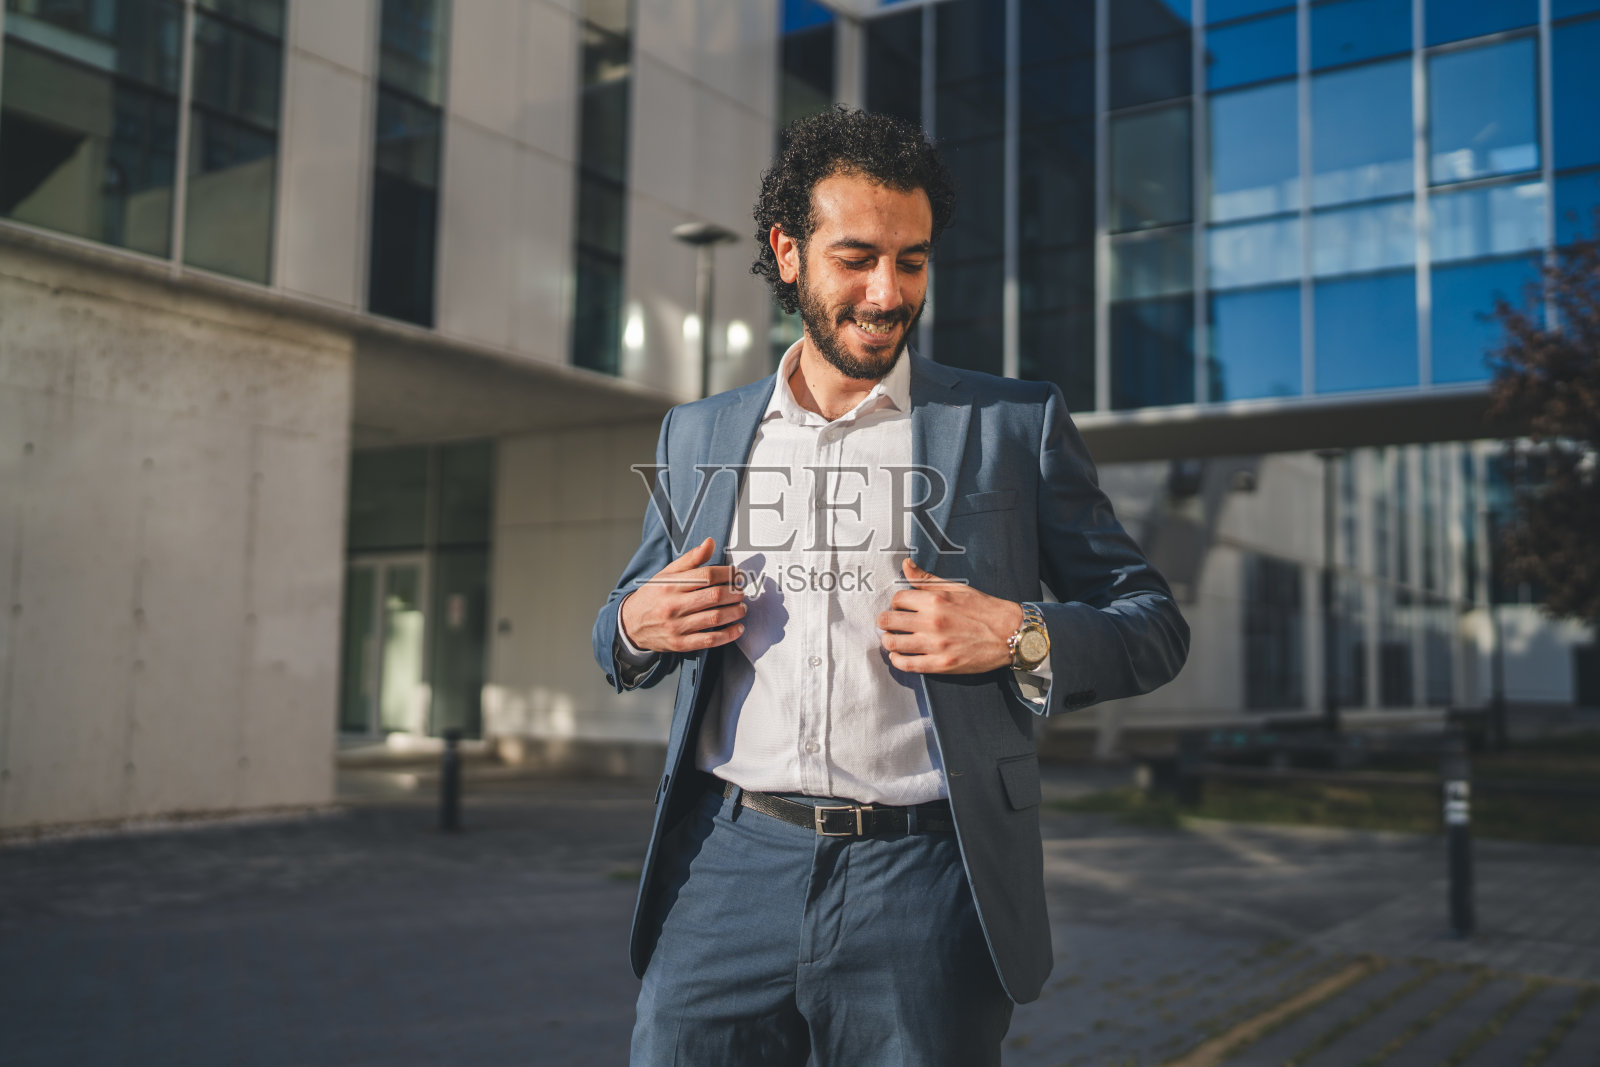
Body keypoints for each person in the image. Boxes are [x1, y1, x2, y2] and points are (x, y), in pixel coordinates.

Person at [592, 106, 1189, 1066]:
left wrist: (1021, 634)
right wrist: (635, 621)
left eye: (912, 262)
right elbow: (619, 626)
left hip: (926, 878)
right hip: (726, 868)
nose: (887, 292)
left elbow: (1153, 624)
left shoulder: (1011, 425)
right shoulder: (696, 434)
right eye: (857, 258)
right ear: (788, 254)